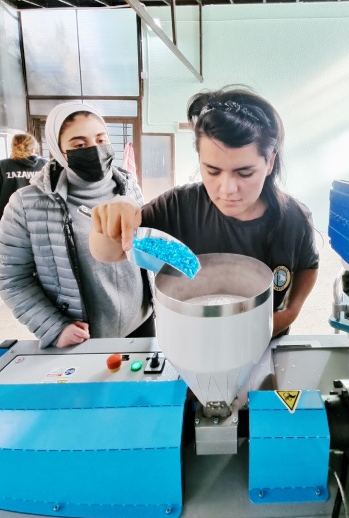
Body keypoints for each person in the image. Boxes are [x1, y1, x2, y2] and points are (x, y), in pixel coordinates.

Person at [89, 86, 319, 337]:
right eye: (212, 171)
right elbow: (109, 252)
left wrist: (290, 311)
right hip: (194, 343)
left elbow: (308, 264)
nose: (227, 189)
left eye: (245, 173)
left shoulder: (294, 219)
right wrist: (119, 212)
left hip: (264, 343)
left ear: (270, 162)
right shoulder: (179, 207)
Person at [0, 102, 154, 349]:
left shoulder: (128, 185)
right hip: (82, 336)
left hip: (142, 323)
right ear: (59, 151)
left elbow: (144, 246)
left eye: (101, 140)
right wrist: (54, 327)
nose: (94, 150)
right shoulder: (27, 204)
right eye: (79, 145)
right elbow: (12, 277)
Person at [0, 133, 46, 227]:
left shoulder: (1, 166)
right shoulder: (45, 165)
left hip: (9, 219)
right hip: (42, 217)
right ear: (33, 148)